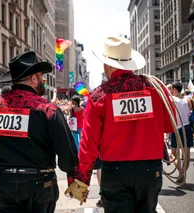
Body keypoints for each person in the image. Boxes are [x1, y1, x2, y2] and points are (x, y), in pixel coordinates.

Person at [65, 36, 175, 212]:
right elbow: (170, 125)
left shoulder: (99, 96)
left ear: (107, 65)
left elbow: (89, 143)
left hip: (114, 171)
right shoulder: (155, 89)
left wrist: (81, 180)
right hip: (149, 169)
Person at [0, 51, 79, 213]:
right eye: (41, 76)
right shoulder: (46, 109)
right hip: (39, 185)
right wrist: (72, 175)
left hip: (4, 184)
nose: (43, 80)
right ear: (33, 78)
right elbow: (67, 153)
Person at [171, 83, 194, 183]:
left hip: (176, 128)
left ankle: (180, 172)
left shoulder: (171, 99)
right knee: (186, 154)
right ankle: (184, 173)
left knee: (173, 153)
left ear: (175, 89)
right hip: (187, 127)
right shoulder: (188, 99)